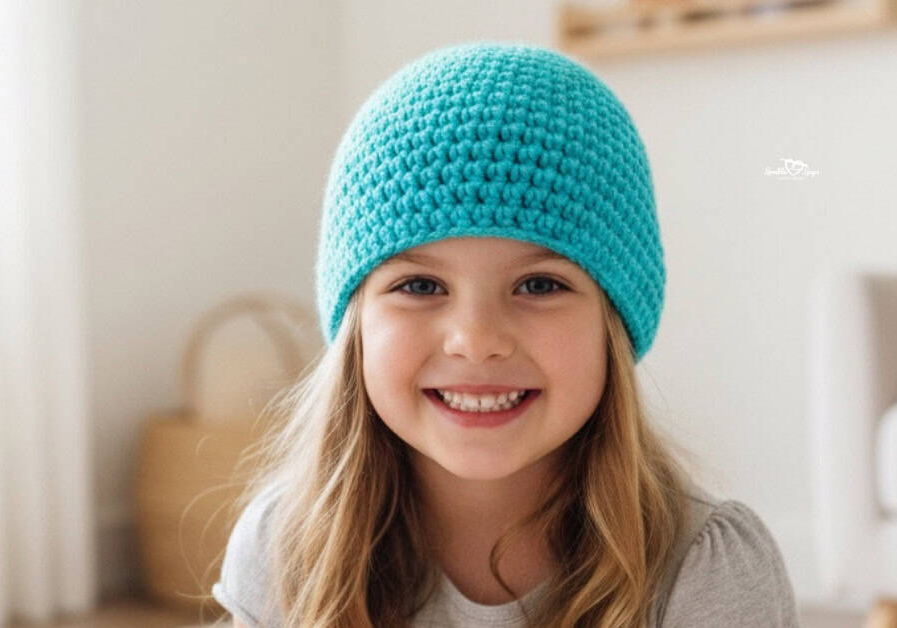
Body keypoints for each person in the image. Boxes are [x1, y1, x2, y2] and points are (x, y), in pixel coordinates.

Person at [209, 40, 800, 627]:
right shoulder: (286, 550)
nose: (475, 338)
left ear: (613, 321)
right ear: (356, 325)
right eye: (419, 286)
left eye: (539, 286)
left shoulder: (706, 571)